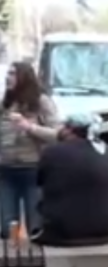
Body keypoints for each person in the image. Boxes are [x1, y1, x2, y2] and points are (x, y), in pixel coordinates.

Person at [33, 113, 108, 247]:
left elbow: (39, 180)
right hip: (105, 231)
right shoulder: (106, 150)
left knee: (36, 190)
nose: (60, 129)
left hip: (64, 233)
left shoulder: (53, 151)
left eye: (63, 126)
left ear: (69, 130)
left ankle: (33, 228)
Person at [0, 62, 59, 239]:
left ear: (24, 77)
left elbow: (57, 134)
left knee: (36, 225)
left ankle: (34, 251)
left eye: (12, 74)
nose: (7, 77)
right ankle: (13, 249)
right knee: (7, 228)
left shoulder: (41, 102)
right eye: (8, 73)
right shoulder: (5, 102)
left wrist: (29, 127)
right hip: (6, 170)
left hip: (33, 169)